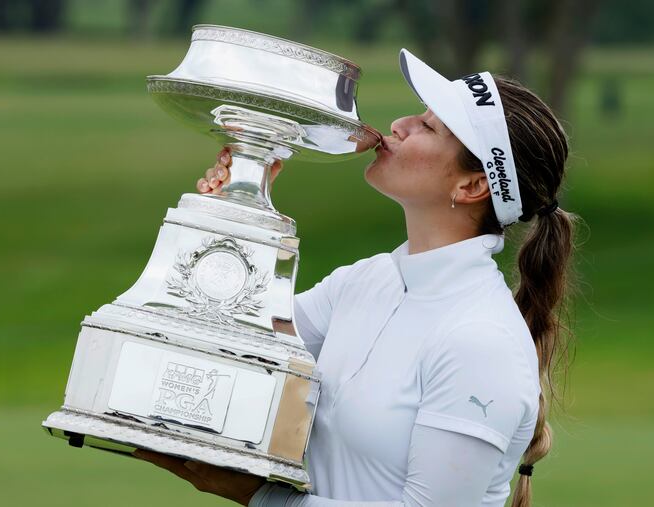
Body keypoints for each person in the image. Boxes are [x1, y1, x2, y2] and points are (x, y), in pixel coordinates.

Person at [134, 48, 578, 507]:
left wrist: (261, 497)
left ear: (471, 187)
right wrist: (230, 212)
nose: (400, 125)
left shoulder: (481, 341)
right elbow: (227, 340)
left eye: (428, 127)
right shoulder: (367, 281)